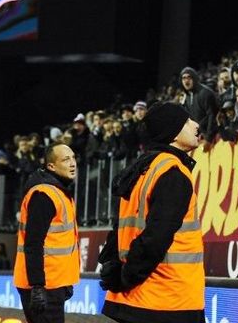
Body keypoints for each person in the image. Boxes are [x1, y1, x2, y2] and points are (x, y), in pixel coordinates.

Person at [99, 101, 205, 323]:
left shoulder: (143, 168)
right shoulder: (173, 173)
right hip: (167, 301)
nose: (195, 125)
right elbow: (156, 237)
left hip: (133, 300)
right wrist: (127, 277)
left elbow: (118, 230)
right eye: (186, 121)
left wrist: (117, 274)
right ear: (173, 133)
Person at [13, 143, 80, 323]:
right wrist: (37, 286)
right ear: (51, 166)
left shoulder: (58, 192)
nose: (72, 163)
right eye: (66, 159)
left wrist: (65, 282)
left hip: (53, 284)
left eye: (73, 157)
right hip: (43, 286)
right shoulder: (44, 195)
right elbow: (33, 243)